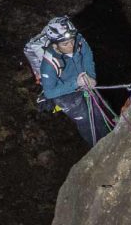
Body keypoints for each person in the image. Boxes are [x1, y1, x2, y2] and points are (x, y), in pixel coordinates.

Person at [39, 18, 110, 146]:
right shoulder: (48, 64)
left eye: (71, 40)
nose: (71, 45)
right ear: (55, 45)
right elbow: (49, 92)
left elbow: (88, 56)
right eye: (65, 44)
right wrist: (76, 84)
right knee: (85, 120)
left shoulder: (79, 40)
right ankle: (97, 147)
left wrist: (91, 76)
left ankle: (109, 137)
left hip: (85, 82)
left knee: (98, 113)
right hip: (65, 96)